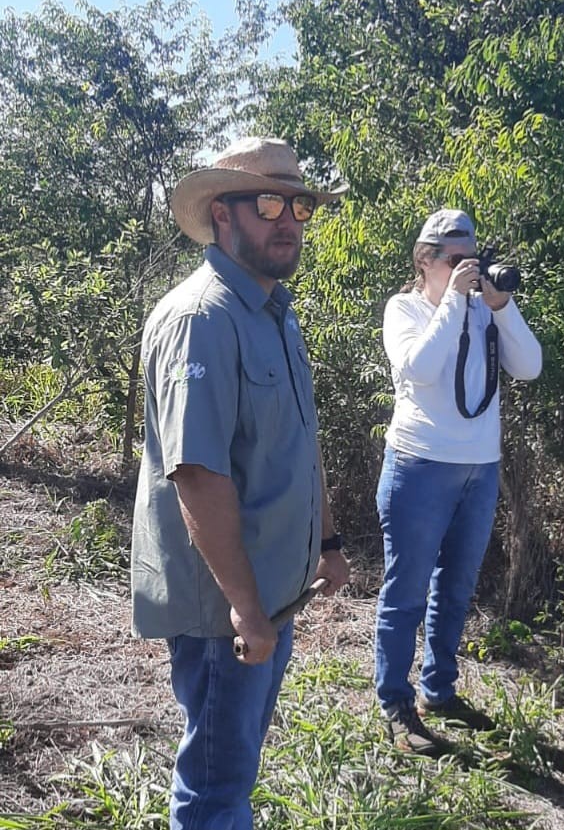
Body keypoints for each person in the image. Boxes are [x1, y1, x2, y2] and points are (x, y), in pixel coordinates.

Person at [130, 137, 351, 829]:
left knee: (235, 766)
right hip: (226, 609)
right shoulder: (202, 320)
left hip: (272, 593)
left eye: (298, 204)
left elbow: (301, 438)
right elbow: (197, 476)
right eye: (266, 201)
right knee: (216, 785)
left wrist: (330, 538)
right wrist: (248, 610)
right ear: (222, 214)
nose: (287, 218)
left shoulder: (276, 313)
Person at [374, 208, 542, 756]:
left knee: (456, 588)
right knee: (405, 594)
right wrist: (452, 303)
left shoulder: (486, 311)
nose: (468, 267)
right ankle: (395, 702)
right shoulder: (405, 309)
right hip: (419, 465)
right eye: (454, 258)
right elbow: (418, 368)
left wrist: (502, 306)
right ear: (426, 261)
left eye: (475, 256)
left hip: (480, 468)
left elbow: (530, 366)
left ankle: (438, 691)